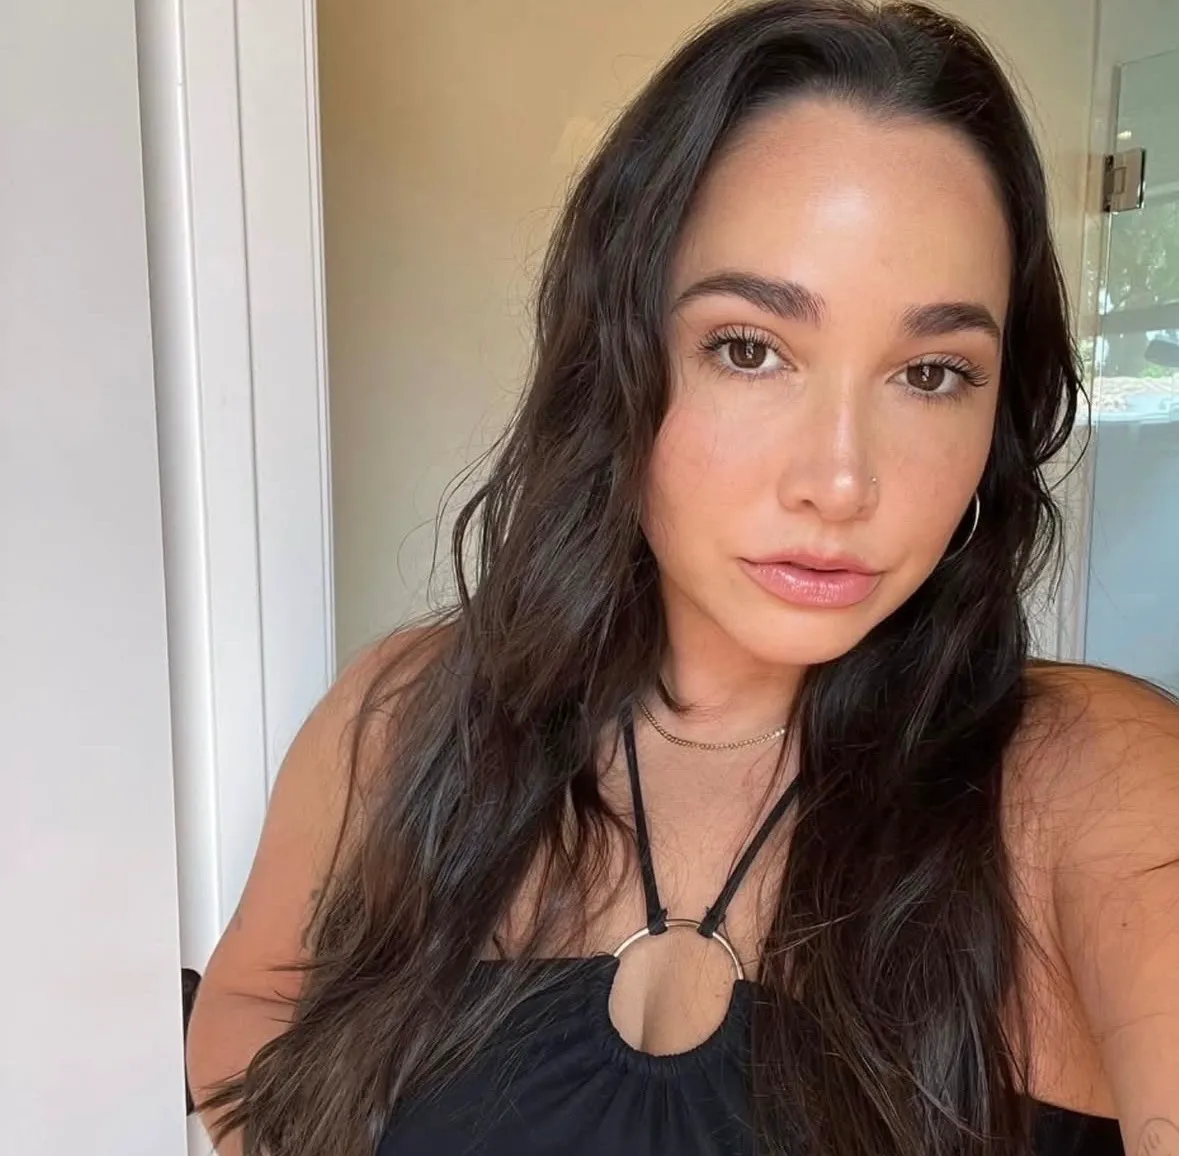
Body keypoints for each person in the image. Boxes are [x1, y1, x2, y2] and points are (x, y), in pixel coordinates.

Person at [185, 2, 1179, 1154]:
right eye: (749, 349)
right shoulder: (414, 713)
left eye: (930, 372)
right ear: (617, 357)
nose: (840, 480)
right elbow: (246, 1008)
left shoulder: (1089, 783)